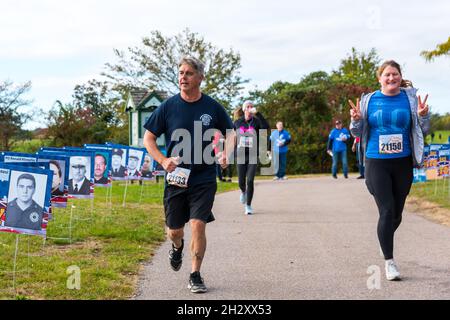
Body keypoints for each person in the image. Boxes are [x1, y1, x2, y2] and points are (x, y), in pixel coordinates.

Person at [143, 56, 234, 293]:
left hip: (204, 177)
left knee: (198, 225)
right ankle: (177, 246)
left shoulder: (212, 107)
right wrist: (163, 160)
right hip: (176, 177)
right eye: (181, 73)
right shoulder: (168, 107)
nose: (183, 77)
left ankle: (195, 274)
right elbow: (148, 138)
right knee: (174, 230)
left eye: (188, 73)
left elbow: (231, 133)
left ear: (200, 77)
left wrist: (226, 153)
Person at [349, 60, 430, 281]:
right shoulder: (369, 101)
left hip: (402, 162)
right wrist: (355, 119)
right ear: (380, 78)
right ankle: (389, 262)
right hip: (376, 162)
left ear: (400, 76)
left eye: (395, 74)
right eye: (387, 75)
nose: (391, 78)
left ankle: (383, 237)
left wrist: (423, 116)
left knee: (396, 214)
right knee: (386, 210)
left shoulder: (410, 99)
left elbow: (423, 130)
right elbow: (357, 130)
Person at [234, 100, 269, 215]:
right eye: (247, 106)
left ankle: (248, 205)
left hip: (253, 154)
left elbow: (266, 127)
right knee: (241, 182)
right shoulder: (238, 122)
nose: (250, 108)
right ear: (244, 109)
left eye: (251, 106)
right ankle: (243, 191)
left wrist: (258, 113)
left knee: (250, 180)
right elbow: (231, 136)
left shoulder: (257, 122)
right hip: (240, 154)